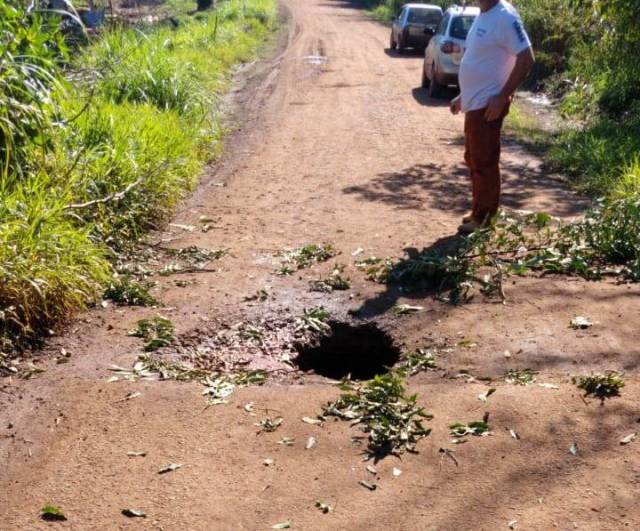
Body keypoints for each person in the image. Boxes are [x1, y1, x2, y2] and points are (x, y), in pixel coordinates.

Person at [450, 0, 535, 234]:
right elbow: (482, 62)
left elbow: (527, 59)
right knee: (474, 158)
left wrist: (502, 96)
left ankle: (484, 219)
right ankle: (478, 210)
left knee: (484, 161)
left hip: (488, 105)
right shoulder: (483, 14)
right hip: (474, 103)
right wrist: (462, 96)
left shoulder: (504, 16)